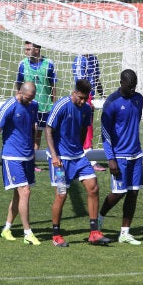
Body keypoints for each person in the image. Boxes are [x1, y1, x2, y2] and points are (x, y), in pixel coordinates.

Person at [45, 79, 112, 247]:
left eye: (85, 98)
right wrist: (54, 156)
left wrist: (79, 150)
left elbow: (83, 129)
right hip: (60, 159)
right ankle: (56, 234)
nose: (82, 101)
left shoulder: (87, 109)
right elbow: (48, 130)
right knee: (61, 194)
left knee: (93, 187)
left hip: (78, 157)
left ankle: (94, 232)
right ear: (74, 92)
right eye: (80, 97)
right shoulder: (61, 106)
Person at [0, 81, 41, 245]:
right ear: (20, 92)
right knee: (25, 192)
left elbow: (32, 126)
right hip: (12, 157)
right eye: (28, 98)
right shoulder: (9, 106)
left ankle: (7, 228)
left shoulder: (33, 105)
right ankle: (27, 233)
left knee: (19, 195)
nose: (30, 101)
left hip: (28, 157)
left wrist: (34, 148)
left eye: (32, 98)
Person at [98, 69, 143, 245]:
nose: (133, 89)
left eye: (135, 86)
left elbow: (136, 120)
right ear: (121, 83)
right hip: (120, 157)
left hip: (136, 155)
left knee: (133, 193)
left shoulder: (139, 99)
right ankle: (99, 217)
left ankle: (124, 233)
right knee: (118, 193)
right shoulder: (112, 103)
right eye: (130, 86)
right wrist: (111, 158)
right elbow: (105, 133)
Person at [15, 41, 56, 158]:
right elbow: (18, 84)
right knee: (31, 133)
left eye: (28, 49)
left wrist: (53, 103)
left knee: (47, 133)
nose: (25, 51)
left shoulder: (48, 64)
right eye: (25, 49)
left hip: (45, 106)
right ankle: (31, 159)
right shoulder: (23, 64)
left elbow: (53, 86)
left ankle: (51, 157)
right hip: (28, 105)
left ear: (37, 50)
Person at [72, 54, 106, 171]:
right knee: (85, 128)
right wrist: (85, 100)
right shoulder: (79, 60)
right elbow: (80, 83)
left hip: (90, 96)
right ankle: (90, 161)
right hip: (83, 97)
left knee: (87, 127)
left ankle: (85, 158)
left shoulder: (94, 58)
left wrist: (103, 95)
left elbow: (96, 79)